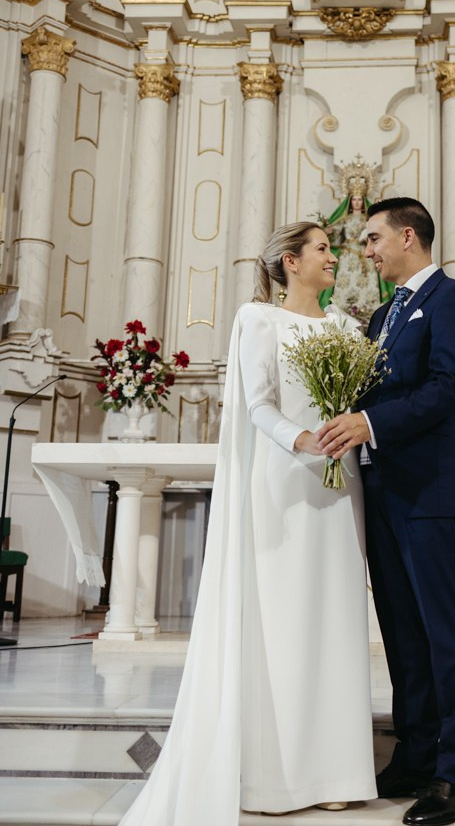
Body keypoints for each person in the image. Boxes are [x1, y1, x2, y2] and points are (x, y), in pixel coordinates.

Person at [119, 222, 376, 826]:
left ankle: (335, 770)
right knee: (282, 621)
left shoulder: (346, 327)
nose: (333, 257)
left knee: (335, 619)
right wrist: (301, 438)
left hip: (340, 488)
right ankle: (274, 775)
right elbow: (256, 402)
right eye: (322, 249)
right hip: (283, 484)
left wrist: (345, 433)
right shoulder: (257, 320)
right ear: (290, 262)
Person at [317, 197, 455, 826]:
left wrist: (368, 421)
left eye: (371, 239)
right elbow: (371, 390)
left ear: (407, 236)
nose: (365, 251)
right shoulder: (385, 314)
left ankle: (454, 774)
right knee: (402, 636)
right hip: (383, 489)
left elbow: (446, 389)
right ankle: (415, 755)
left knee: (446, 634)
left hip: (430, 491)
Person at [319, 184, 393, 328]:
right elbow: (335, 239)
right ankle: (342, 314)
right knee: (346, 282)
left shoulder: (369, 219)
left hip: (365, 255)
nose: (357, 202)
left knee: (368, 283)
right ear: (350, 201)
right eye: (354, 200)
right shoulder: (345, 218)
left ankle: (368, 314)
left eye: (360, 199)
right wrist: (328, 232)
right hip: (348, 256)